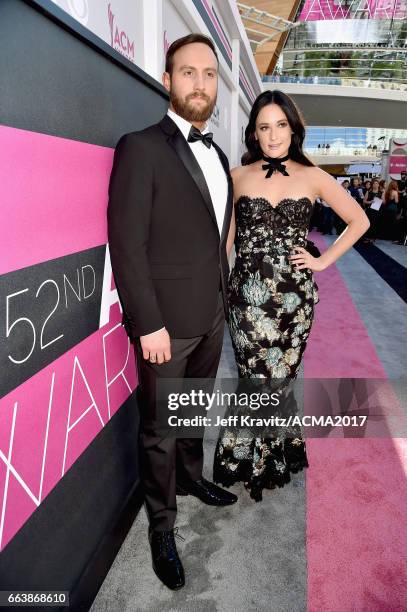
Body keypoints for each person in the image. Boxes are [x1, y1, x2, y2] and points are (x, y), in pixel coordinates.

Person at [107, 33, 237, 591]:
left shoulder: (220, 154)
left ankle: (191, 479)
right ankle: (162, 526)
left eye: (209, 75)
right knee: (159, 429)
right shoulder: (140, 146)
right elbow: (127, 243)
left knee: (191, 413)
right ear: (167, 80)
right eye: (189, 73)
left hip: (211, 315)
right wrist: (148, 323)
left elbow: (213, 239)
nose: (200, 84)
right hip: (165, 324)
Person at [212, 90, 369, 501]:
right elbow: (226, 242)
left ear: (293, 129)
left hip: (295, 303)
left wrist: (321, 262)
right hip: (246, 299)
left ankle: (270, 458)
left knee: (280, 380)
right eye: (264, 127)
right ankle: (248, 459)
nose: (273, 135)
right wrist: (216, 288)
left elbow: (359, 220)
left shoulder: (314, 176)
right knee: (253, 380)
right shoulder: (237, 176)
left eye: (280, 125)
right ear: (254, 133)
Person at [362, 178, 383, 244]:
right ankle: (367, 237)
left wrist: (380, 201)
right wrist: (370, 202)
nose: (375, 185)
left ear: (379, 185)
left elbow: (384, 201)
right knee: (369, 224)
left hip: (377, 210)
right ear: (372, 184)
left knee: (375, 224)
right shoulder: (369, 192)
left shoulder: (381, 192)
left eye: (377, 183)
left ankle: (373, 238)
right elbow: (364, 201)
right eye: (374, 183)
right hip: (370, 210)